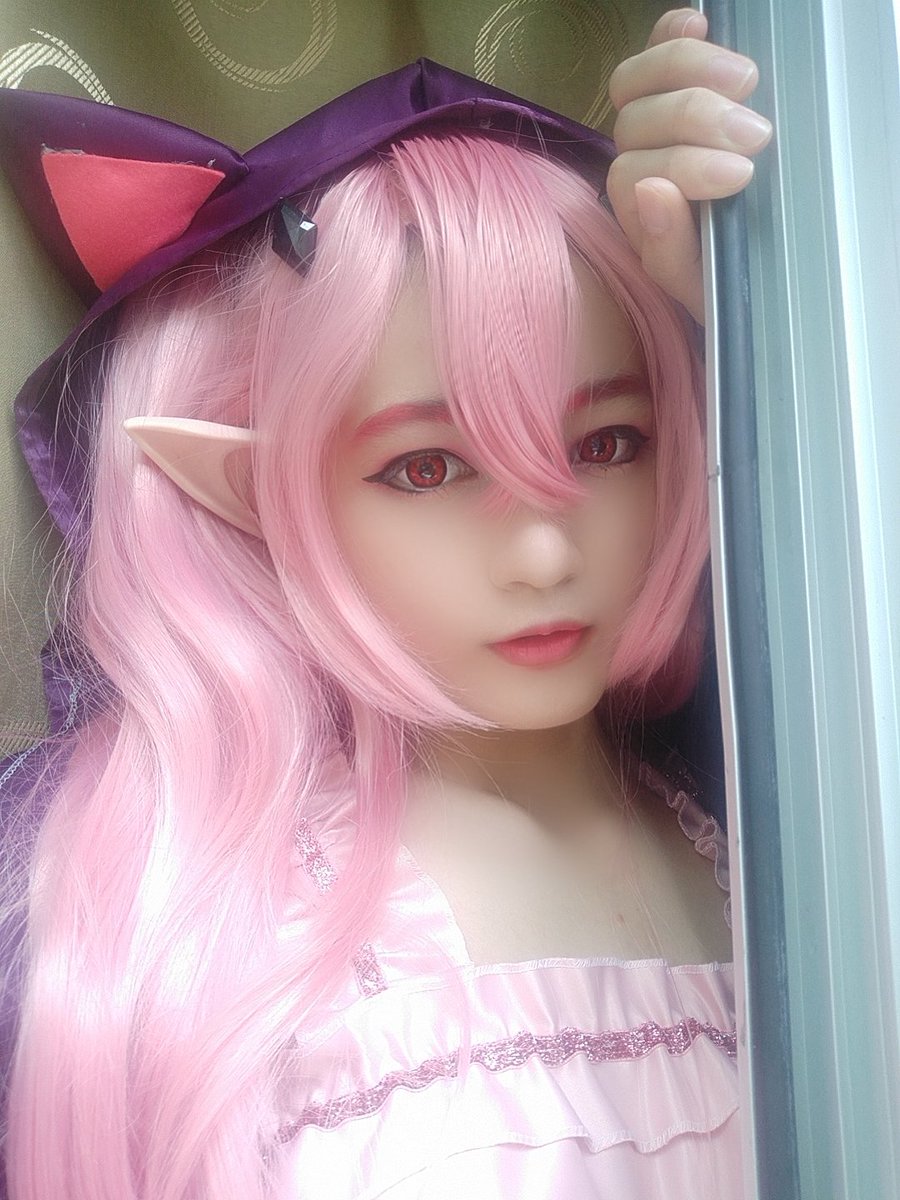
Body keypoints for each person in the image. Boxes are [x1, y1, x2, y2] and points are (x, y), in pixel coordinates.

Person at [0, 10, 771, 1198]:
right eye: (425, 466)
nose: (542, 552)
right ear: (252, 491)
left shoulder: (773, 822)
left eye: (608, 441)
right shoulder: (164, 904)